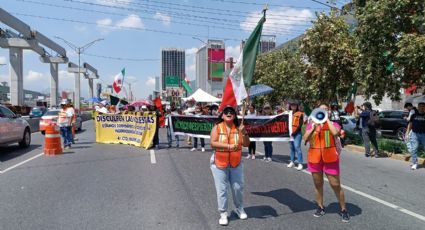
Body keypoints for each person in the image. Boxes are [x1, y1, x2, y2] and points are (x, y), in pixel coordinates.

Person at [303, 104, 350, 223]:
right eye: (321, 109)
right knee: (318, 185)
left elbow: (335, 133)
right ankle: (320, 206)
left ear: (328, 111)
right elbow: (305, 138)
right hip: (314, 158)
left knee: (335, 185)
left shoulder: (333, 124)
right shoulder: (311, 124)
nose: (324, 110)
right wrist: (313, 127)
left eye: (326, 109)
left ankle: (343, 209)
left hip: (330, 158)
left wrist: (326, 120)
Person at [209, 105, 250, 226]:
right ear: (222, 115)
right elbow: (212, 143)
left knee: (238, 188)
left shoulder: (239, 128)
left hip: (236, 163)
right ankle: (223, 213)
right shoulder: (217, 128)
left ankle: (239, 208)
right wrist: (228, 147)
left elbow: (247, 144)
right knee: (222, 189)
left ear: (235, 115)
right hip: (219, 164)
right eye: (226, 112)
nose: (228, 113)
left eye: (231, 112)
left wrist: (245, 133)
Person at [405, 102, 425, 170]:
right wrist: (407, 133)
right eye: (420, 106)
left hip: (423, 134)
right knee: (414, 149)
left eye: (423, 106)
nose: (422, 107)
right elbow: (410, 125)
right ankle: (414, 164)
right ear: (418, 107)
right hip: (414, 134)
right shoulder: (414, 115)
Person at [287, 101, 304, 170]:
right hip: (290, 133)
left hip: (297, 133)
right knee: (291, 148)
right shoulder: (288, 114)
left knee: (297, 147)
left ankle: (300, 163)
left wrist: (295, 132)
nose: (293, 106)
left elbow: (300, 125)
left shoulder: (300, 114)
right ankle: (292, 161)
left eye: (294, 105)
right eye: (292, 105)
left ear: (297, 106)